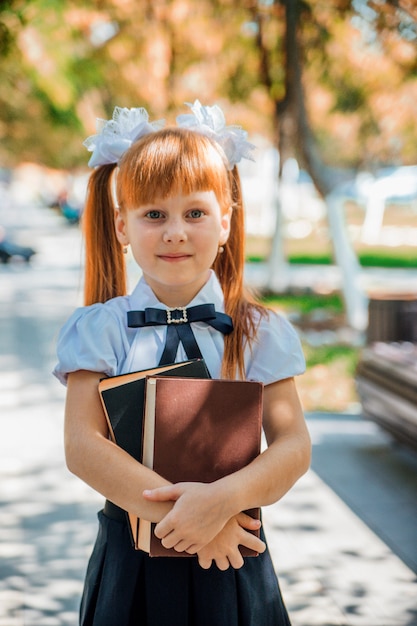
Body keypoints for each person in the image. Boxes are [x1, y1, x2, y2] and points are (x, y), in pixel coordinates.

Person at [54, 101, 311, 626]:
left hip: (235, 550)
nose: (175, 231)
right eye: (155, 214)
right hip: (132, 560)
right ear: (122, 226)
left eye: (195, 213)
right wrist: (185, 519)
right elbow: (83, 446)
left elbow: (293, 445)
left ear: (225, 222)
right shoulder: (99, 328)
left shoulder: (257, 331)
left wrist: (221, 505)